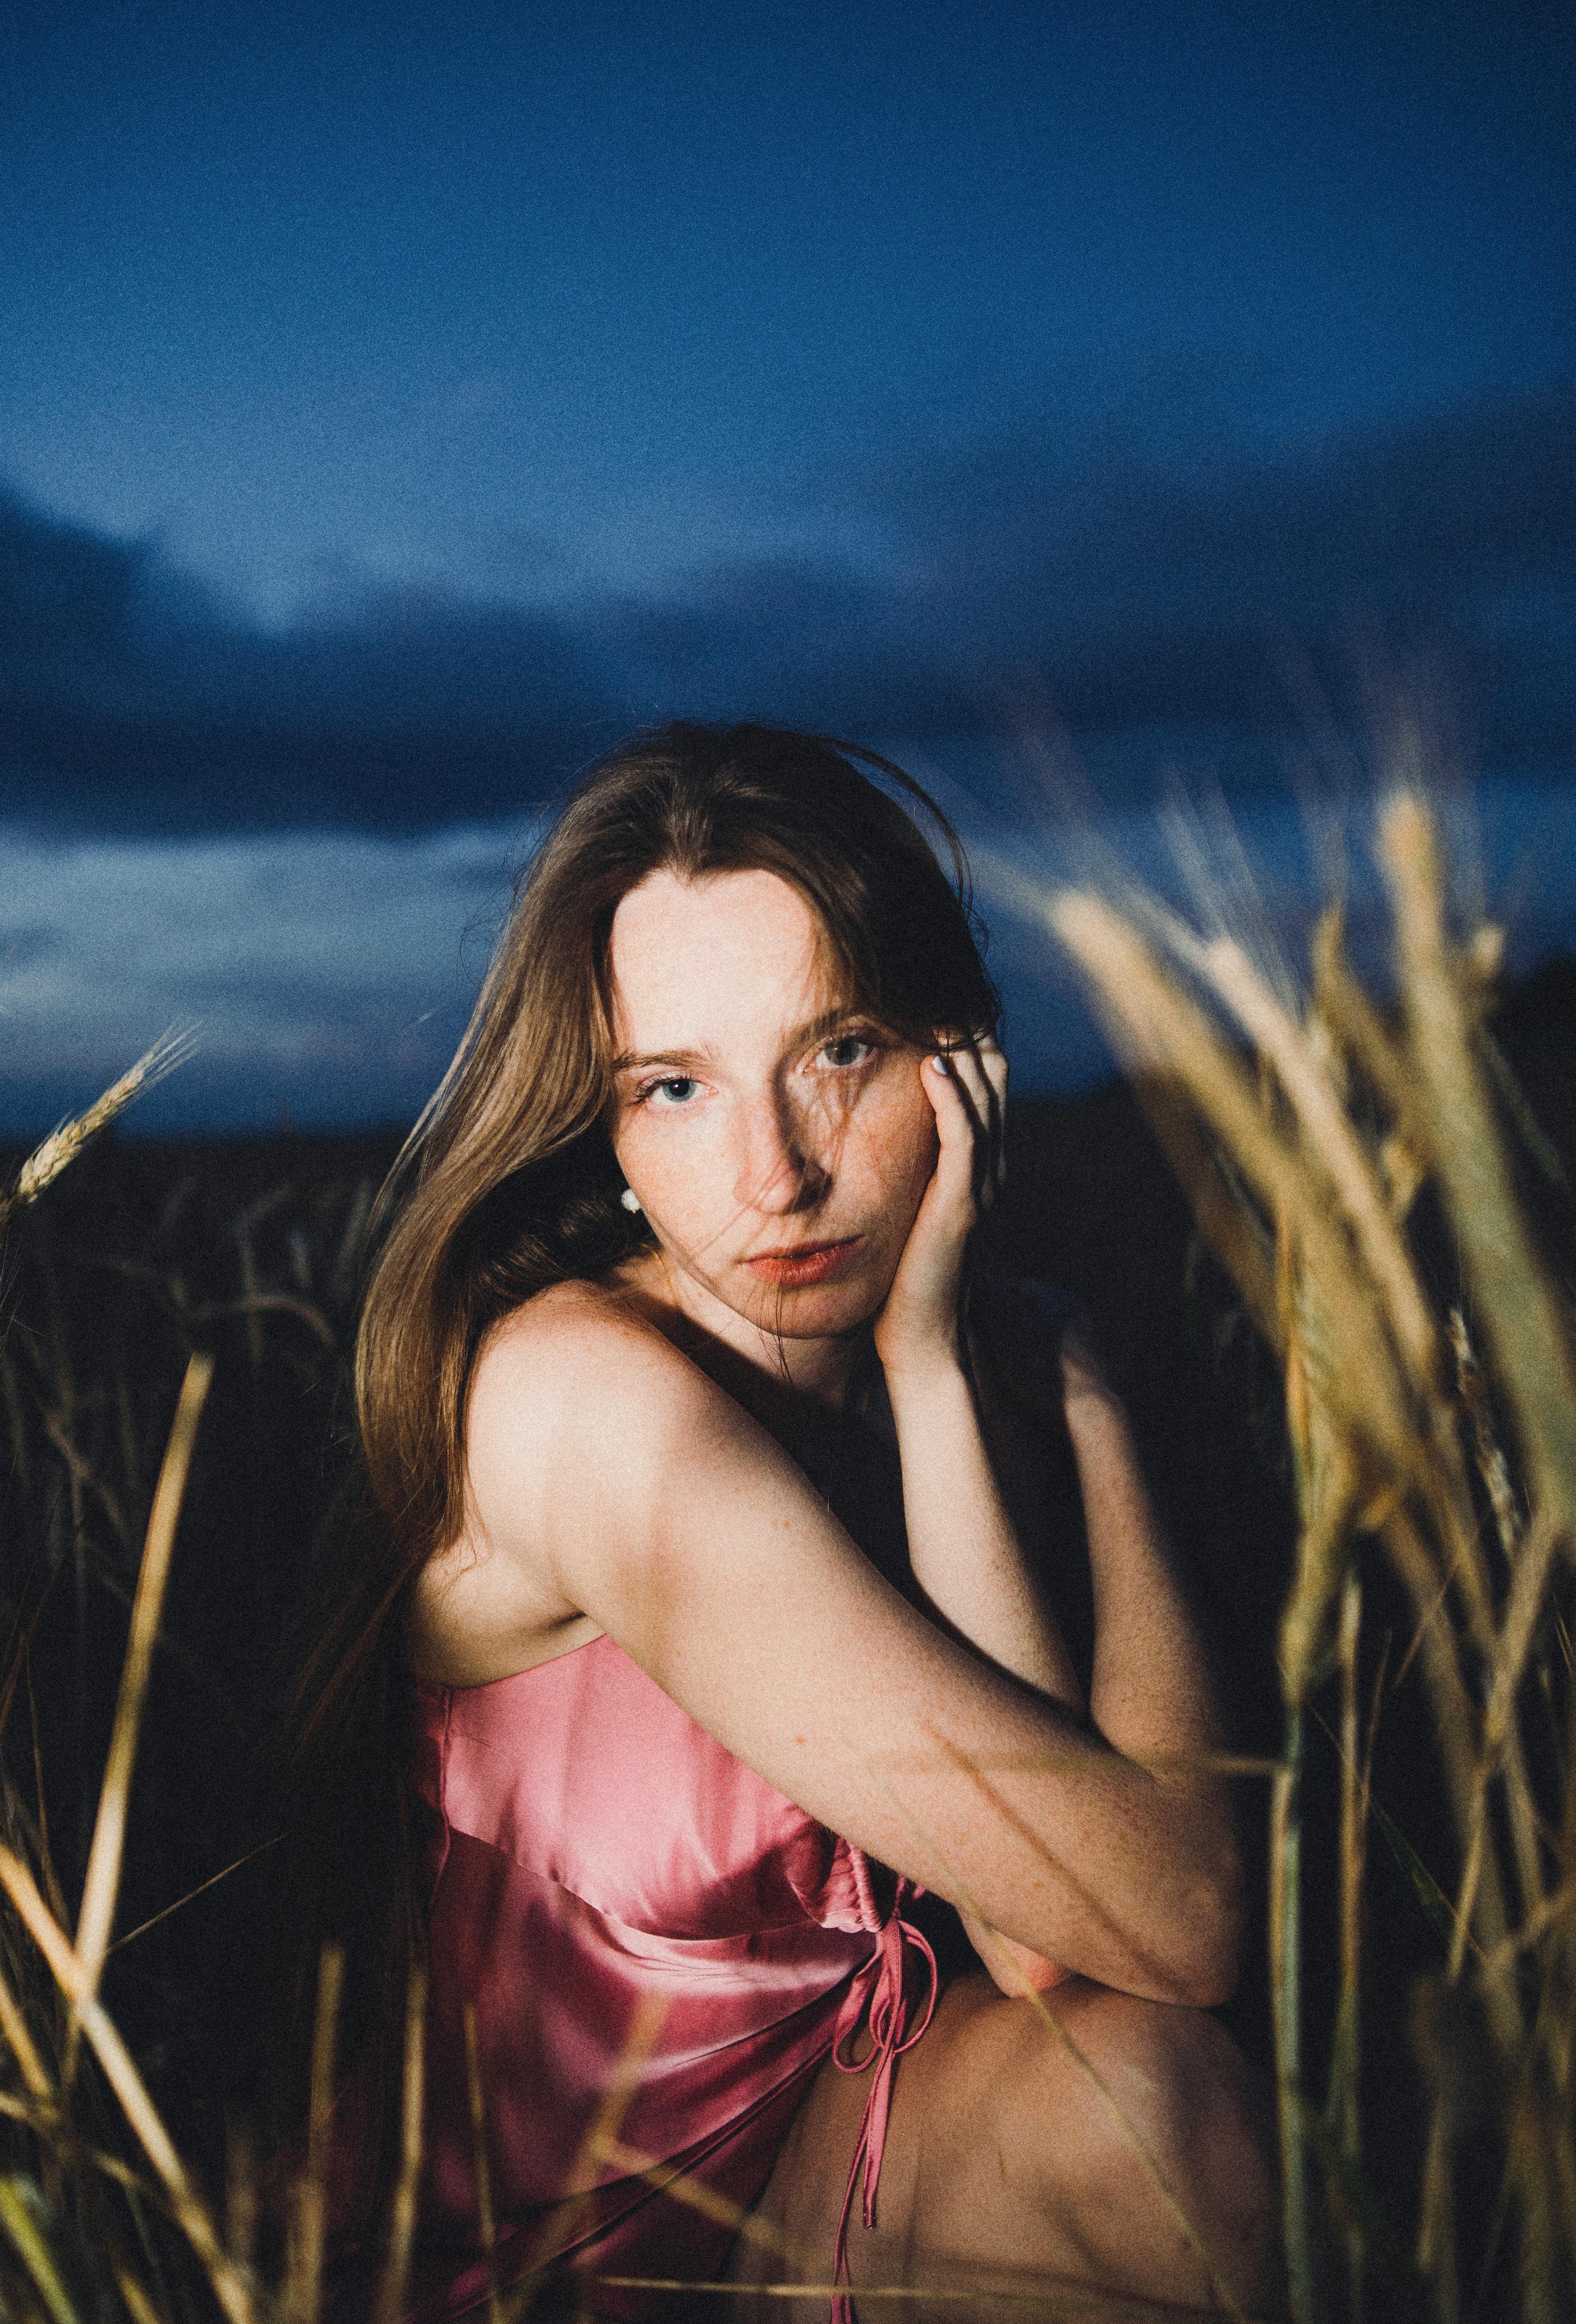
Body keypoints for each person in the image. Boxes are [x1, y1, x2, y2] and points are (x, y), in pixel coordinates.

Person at [323, 722, 1275, 2321]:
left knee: (1145, 2107)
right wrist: (1068, 1391)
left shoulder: (935, 1361)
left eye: (836, 1052)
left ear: (955, 1056)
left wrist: (1009, 1381)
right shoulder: (586, 1410)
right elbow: (1174, 1912)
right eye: (675, 1087)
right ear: (611, 1132)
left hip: (810, 2161)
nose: (772, 1175)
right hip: (537, 2259)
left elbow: (1049, 1953)